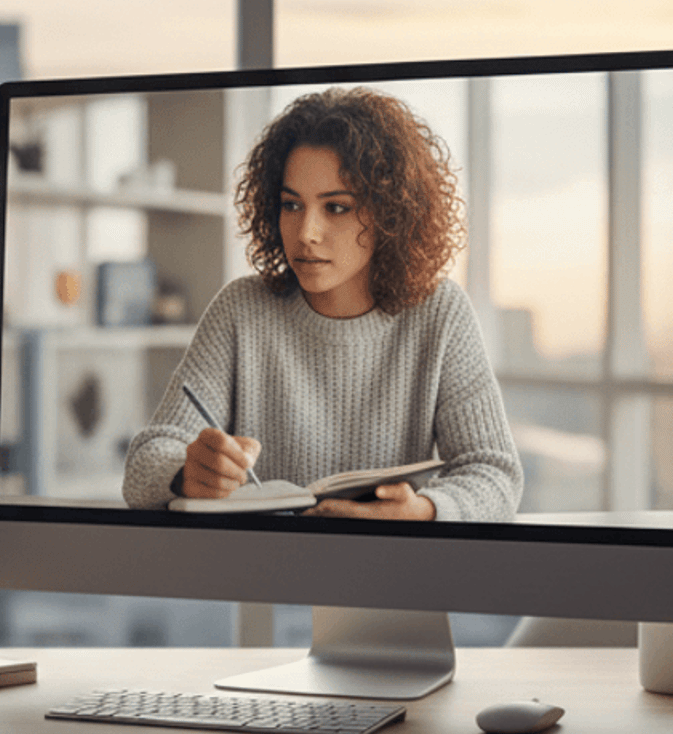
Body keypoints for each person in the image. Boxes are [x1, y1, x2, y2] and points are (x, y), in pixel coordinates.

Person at [121, 87, 522, 520]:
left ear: (391, 213)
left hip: (395, 581)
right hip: (267, 581)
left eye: (336, 207)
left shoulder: (440, 312)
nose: (306, 232)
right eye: (291, 204)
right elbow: (145, 464)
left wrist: (425, 510)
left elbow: (495, 474)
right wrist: (186, 472)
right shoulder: (241, 310)